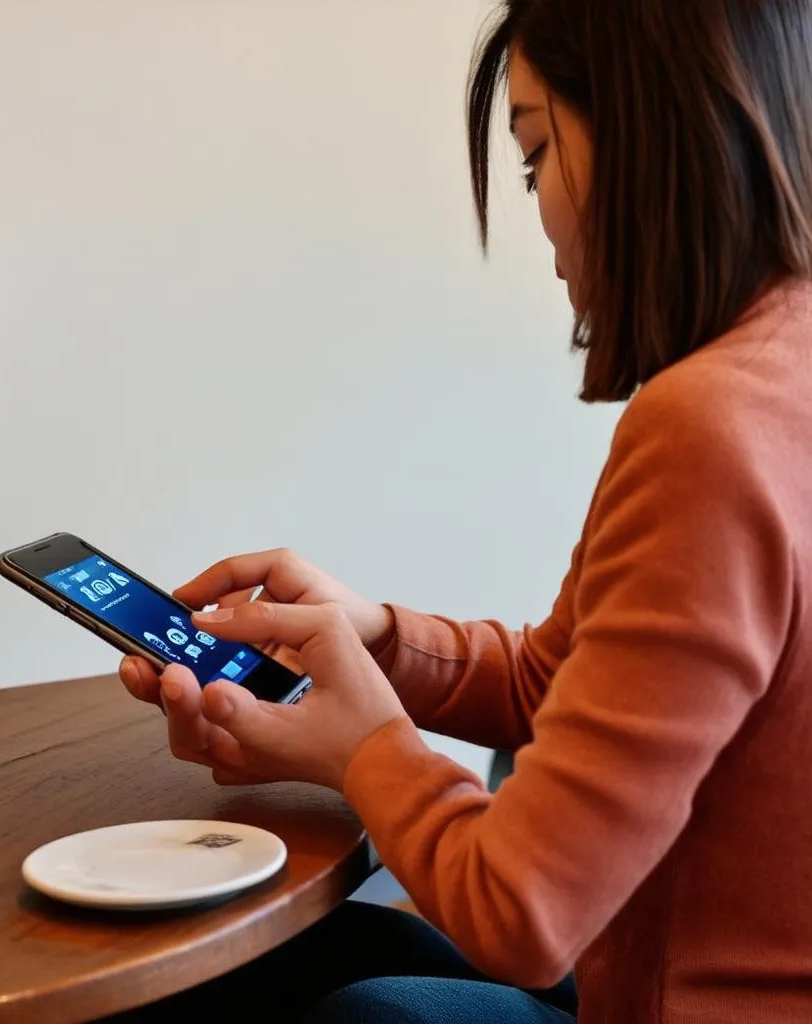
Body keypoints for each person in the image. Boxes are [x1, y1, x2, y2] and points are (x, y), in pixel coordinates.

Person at [118, 1, 812, 1020]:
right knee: (327, 952)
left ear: (642, 129)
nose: (537, 213)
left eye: (535, 156)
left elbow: (521, 910)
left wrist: (362, 751)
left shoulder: (707, 428)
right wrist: (378, 638)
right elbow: (556, 678)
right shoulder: (777, 373)